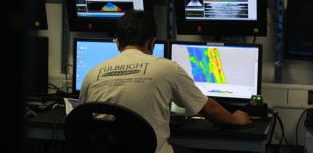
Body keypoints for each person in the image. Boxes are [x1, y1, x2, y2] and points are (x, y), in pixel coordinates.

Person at [78, 10, 252, 153]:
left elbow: (82, 121)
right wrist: (235, 119)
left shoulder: (91, 75)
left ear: (117, 43)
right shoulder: (167, 68)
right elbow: (210, 110)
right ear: (152, 43)